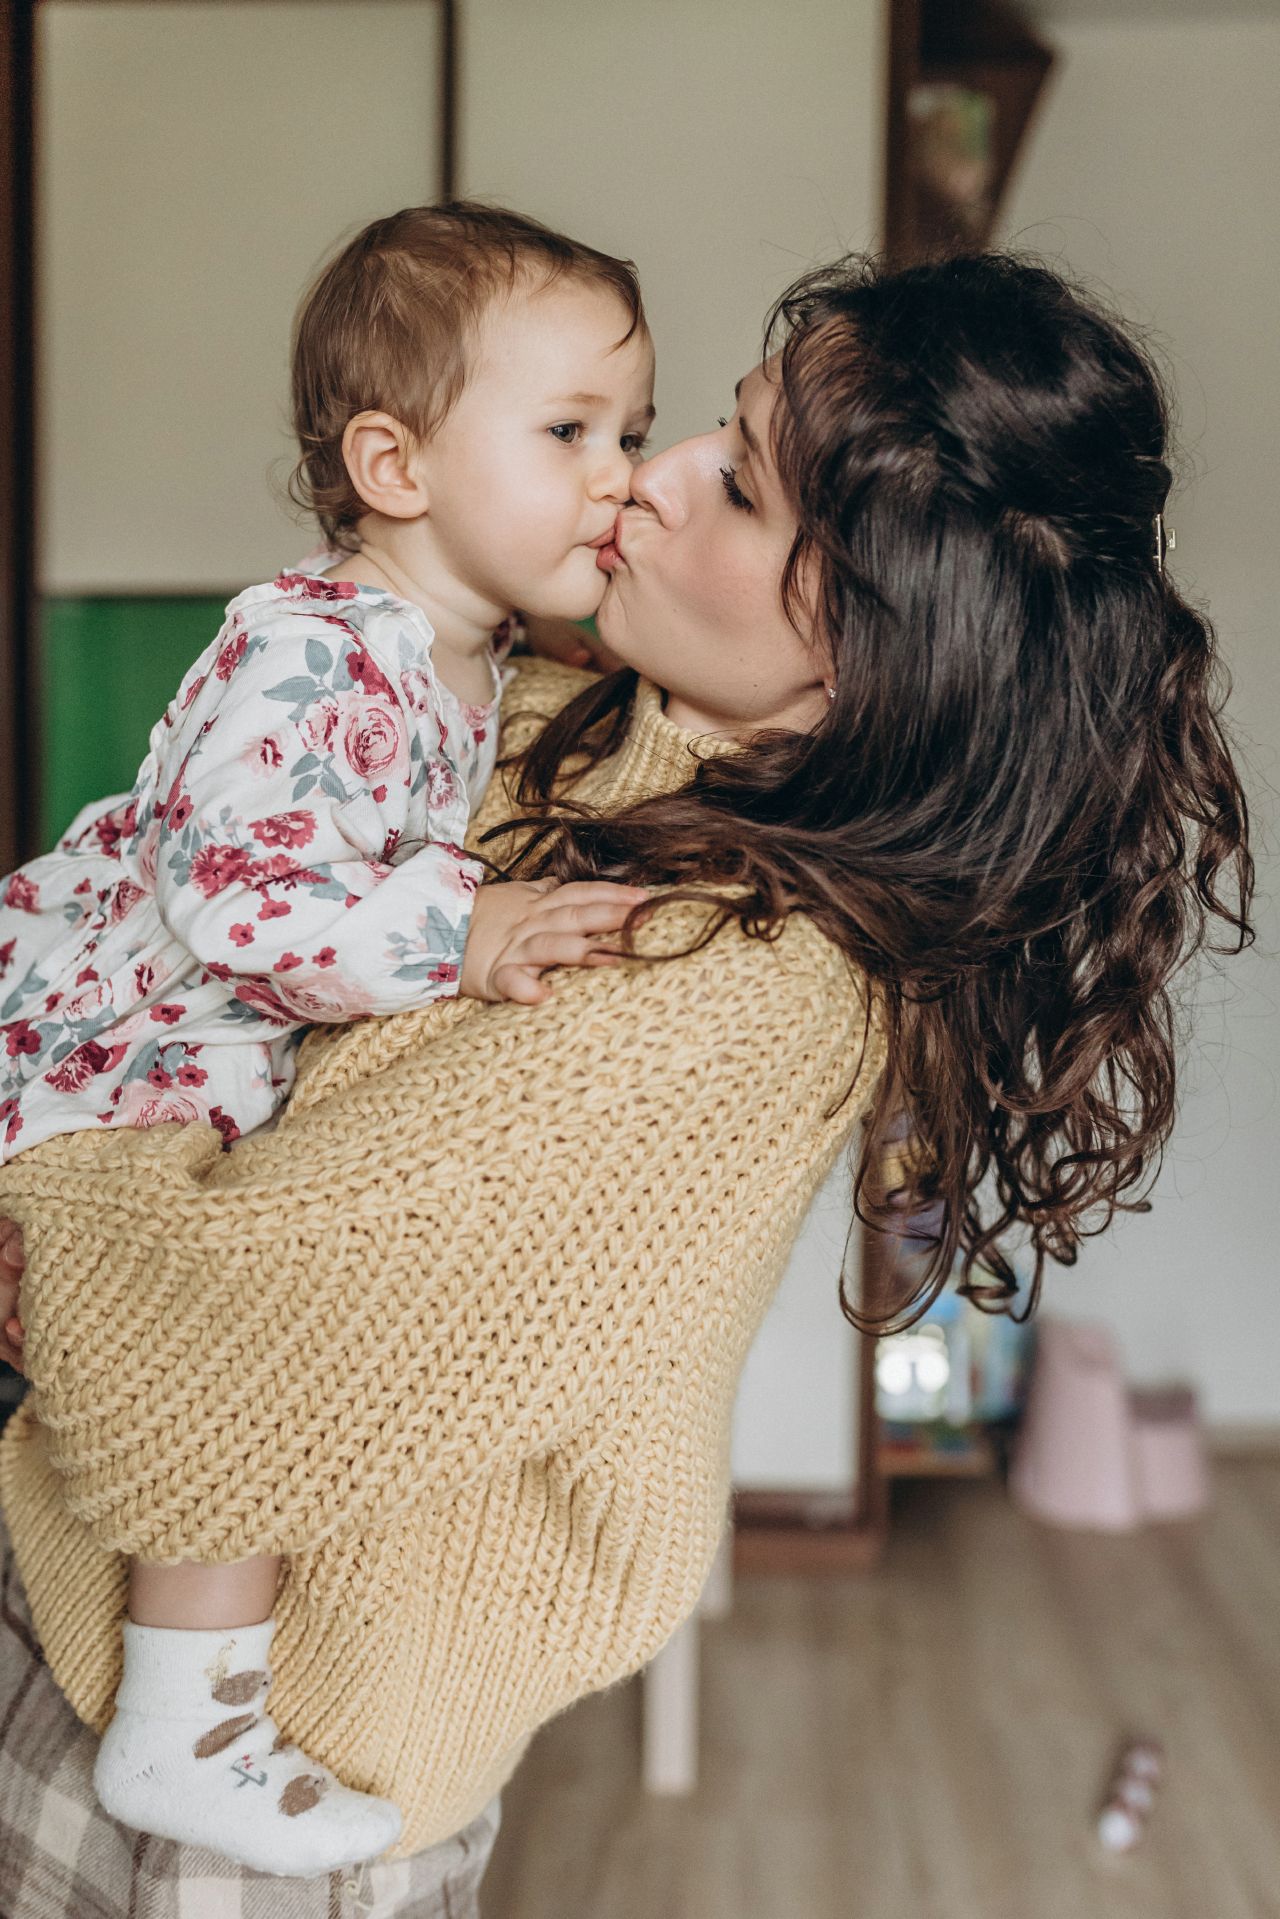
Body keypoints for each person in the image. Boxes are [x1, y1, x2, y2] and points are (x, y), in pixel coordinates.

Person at [0, 250, 1254, 1917]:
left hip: (228, 1767)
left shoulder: (733, 988)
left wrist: (38, 1172)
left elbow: (221, 1347)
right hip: (88, 1583)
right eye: (699, 431)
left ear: (877, 651)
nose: (643, 482)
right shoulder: (573, 722)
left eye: (732, 482)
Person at [0, 200, 654, 1875]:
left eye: (634, 432)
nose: (620, 477)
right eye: (571, 432)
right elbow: (237, 894)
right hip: (132, 1059)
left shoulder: (470, 647)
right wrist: (466, 930)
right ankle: (187, 1720)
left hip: (208, 1057)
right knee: (214, 1355)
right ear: (394, 465)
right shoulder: (312, 646)